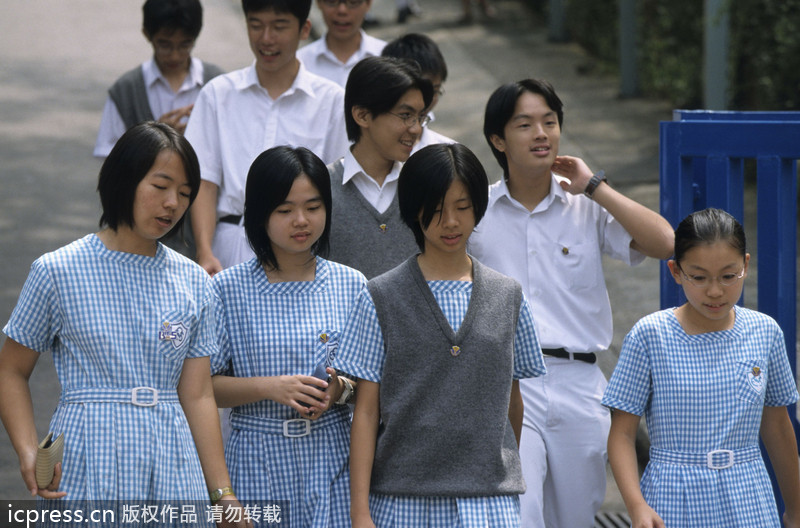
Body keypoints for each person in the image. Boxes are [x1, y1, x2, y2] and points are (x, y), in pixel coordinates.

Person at [0, 122, 247, 526]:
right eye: (161, 186)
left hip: (172, 463)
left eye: (185, 194)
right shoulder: (57, 270)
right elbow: (11, 370)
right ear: (124, 180)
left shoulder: (195, 282)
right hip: (85, 459)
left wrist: (222, 494)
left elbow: (199, 394)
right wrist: (29, 451)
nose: (172, 204)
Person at [468, 79, 674, 528]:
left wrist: (595, 186)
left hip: (580, 384)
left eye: (550, 122)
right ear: (498, 140)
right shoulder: (475, 212)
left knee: (576, 517)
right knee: (519, 514)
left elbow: (665, 243)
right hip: (506, 382)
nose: (541, 133)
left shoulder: (587, 205)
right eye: (525, 125)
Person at [335, 143, 547, 527]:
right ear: (414, 210)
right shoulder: (380, 295)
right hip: (400, 501)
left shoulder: (507, 295)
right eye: (435, 208)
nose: (450, 221)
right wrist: (360, 511)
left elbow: (512, 402)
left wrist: (492, 468)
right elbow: (365, 411)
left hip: (489, 504)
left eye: (463, 206)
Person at [603, 208, 800, 528]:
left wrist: (795, 511)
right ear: (675, 271)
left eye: (727, 275)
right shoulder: (649, 335)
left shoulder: (765, 332)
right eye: (699, 277)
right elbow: (623, 433)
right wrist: (637, 505)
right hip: (671, 498)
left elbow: (777, 426)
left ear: (746, 266)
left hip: (747, 497)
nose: (715, 291)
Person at [210, 146, 366, 527]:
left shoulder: (351, 285)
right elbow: (204, 388)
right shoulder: (226, 289)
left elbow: (369, 386)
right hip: (256, 460)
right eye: (284, 210)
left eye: (313, 207)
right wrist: (270, 387)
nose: (301, 221)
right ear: (259, 214)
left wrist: (338, 392)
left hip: (332, 455)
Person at [185, 0, 349, 275]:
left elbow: (338, 186)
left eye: (279, 26)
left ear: (304, 29)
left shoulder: (331, 100)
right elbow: (205, 181)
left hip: (303, 250)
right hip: (230, 245)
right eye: (256, 25)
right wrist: (205, 251)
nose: (266, 38)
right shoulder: (218, 94)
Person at [327, 55, 432, 279]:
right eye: (406, 115)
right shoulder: (321, 191)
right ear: (362, 115)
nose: (416, 129)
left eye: (420, 117)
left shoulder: (427, 189)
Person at [94, 0, 223, 158]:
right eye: (165, 45)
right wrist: (153, 140)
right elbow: (108, 156)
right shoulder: (126, 91)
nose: (175, 55)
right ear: (147, 34)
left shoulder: (217, 84)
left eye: (185, 45)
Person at [381, 33, 455, 153]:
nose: (426, 100)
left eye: (435, 91)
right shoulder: (362, 149)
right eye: (418, 91)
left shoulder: (448, 154)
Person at [297, 0, 386, 87]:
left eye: (353, 2)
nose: (342, 10)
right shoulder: (300, 63)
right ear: (319, 3)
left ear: (368, 3)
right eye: (332, 2)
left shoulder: (387, 56)